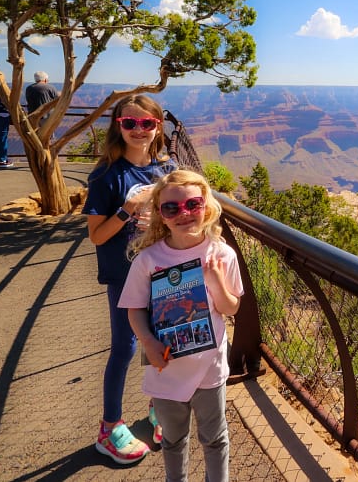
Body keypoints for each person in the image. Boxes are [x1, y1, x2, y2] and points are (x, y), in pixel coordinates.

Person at [119, 169, 243, 482]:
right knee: (173, 439)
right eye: (172, 208)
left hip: (209, 366)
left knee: (215, 438)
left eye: (193, 204)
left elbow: (231, 308)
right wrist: (148, 342)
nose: (184, 213)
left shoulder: (222, 255)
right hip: (166, 365)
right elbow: (134, 308)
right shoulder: (148, 260)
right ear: (160, 214)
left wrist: (216, 280)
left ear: (206, 206)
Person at [82, 95, 177, 464]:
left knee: (164, 341)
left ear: (157, 127)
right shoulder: (106, 175)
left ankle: (158, 408)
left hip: (164, 271)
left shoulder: (167, 170)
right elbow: (96, 236)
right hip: (125, 276)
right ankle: (109, 428)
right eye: (130, 123)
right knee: (125, 348)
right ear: (118, 126)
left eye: (147, 123)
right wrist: (128, 209)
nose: (139, 130)